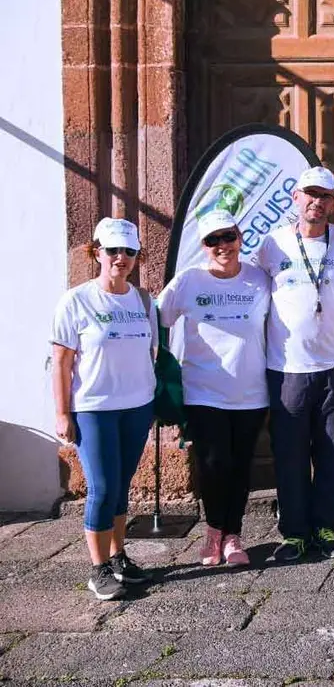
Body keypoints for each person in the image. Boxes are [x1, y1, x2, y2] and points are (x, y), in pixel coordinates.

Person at [255, 166, 334, 562]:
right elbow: (245, 290)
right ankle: (295, 534)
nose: (317, 203)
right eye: (310, 195)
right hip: (286, 369)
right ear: (295, 198)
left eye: (325, 196)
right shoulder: (271, 245)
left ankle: (326, 529)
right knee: (291, 453)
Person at [158, 210, 271, 567]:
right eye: (213, 240)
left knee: (239, 465)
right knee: (213, 462)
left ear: (239, 237)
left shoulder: (260, 279)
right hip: (203, 391)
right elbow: (157, 322)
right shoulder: (188, 282)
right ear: (204, 247)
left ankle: (233, 534)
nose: (222, 245)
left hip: (251, 391)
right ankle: (213, 530)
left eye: (228, 237)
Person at [51, 218, 156, 599]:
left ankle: (118, 556)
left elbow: (151, 353)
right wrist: (63, 413)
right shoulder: (76, 300)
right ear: (97, 252)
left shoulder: (144, 301)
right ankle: (98, 569)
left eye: (129, 251)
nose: (121, 258)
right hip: (94, 409)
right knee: (102, 487)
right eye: (113, 250)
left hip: (137, 406)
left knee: (121, 486)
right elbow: (61, 362)